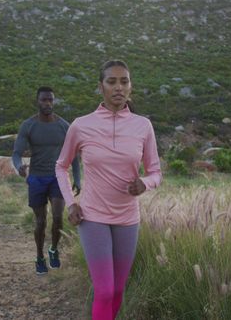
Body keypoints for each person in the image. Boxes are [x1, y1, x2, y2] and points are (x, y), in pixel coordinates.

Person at [55, 60, 162, 319]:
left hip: (128, 218)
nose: (118, 87)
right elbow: (61, 166)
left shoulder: (143, 126)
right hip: (93, 217)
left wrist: (144, 183)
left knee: (117, 290)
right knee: (104, 291)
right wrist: (71, 203)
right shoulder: (81, 125)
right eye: (111, 81)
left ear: (130, 87)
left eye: (124, 81)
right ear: (100, 87)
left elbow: (156, 172)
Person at [12, 86, 81, 275]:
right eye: (44, 100)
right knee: (41, 221)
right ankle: (39, 256)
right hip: (36, 178)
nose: (48, 103)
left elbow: (74, 155)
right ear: (37, 101)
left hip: (58, 177)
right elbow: (16, 153)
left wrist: (78, 178)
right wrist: (18, 166)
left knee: (58, 217)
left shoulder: (64, 126)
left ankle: (53, 249)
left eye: (50, 100)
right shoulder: (28, 125)